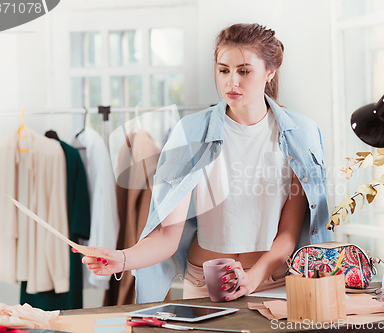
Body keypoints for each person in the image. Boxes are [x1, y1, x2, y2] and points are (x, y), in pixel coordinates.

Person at [78, 23, 332, 303]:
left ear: (270, 72)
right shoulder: (189, 133)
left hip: (273, 283)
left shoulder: (302, 134)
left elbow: (288, 234)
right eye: (223, 70)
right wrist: (122, 258)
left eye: (244, 71)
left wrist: (253, 278)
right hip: (205, 285)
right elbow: (166, 234)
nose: (231, 82)